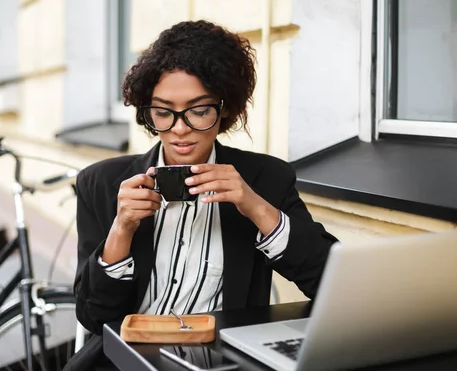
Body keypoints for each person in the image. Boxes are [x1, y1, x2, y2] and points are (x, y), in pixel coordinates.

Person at [64, 20, 338, 370]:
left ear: (225, 108)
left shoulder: (264, 179)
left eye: (199, 111)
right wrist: (122, 230)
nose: (180, 129)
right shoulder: (102, 183)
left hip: (220, 360)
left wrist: (254, 207)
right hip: (127, 360)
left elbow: (329, 285)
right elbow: (93, 316)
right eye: (163, 112)